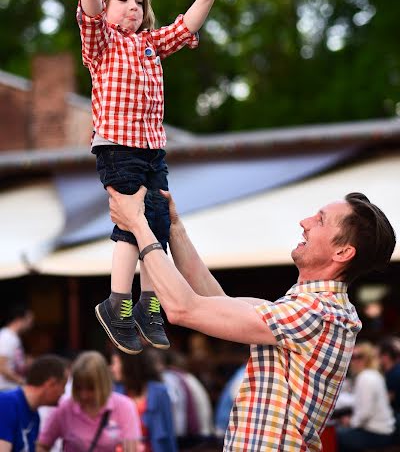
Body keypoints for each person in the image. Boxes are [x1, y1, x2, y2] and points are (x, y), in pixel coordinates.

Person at [107, 187, 396, 451]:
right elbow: (213, 301)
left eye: (320, 220)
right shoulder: (311, 309)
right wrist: (174, 227)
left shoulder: (316, 314)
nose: (305, 222)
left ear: (342, 252)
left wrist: (138, 225)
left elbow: (183, 308)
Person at [72, 0, 232, 355]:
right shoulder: (103, 46)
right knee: (129, 220)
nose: (134, 8)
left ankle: (149, 303)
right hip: (116, 146)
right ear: (107, 6)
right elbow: (89, 15)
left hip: (151, 148)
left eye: (139, 1)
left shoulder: (149, 45)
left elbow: (185, 26)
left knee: (157, 223)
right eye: (123, 0)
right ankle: (117, 303)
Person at [37, 350, 142, 452]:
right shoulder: (65, 408)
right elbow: (42, 445)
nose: (84, 395)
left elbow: (131, 448)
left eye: (91, 388)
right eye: (79, 388)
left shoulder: (124, 407)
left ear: (103, 384)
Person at [112, 347, 177, 452]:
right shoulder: (115, 393)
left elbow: (169, 434)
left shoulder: (159, 393)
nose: (113, 368)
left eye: (116, 362)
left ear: (128, 364)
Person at [0, 354, 68, 452]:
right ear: (51, 384)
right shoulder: (6, 403)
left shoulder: (34, 416)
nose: (64, 392)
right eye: (63, 385)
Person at [337, 342, 396, 451]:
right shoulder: (373, 374)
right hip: (384, 431)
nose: (354, 360)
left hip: (378, 433)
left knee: (336, 436)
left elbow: (365, 412)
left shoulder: (365, 377)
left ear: (368, 358)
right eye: (352, 356)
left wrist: (350, 422)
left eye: (359, 356)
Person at [0, 304, 34, 391]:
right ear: (19, 319)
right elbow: (1, 366)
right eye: (29, 319)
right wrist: (22, 381)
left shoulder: (12, 337)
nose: (31, 324)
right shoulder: (7, 337)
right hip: (5, 389)